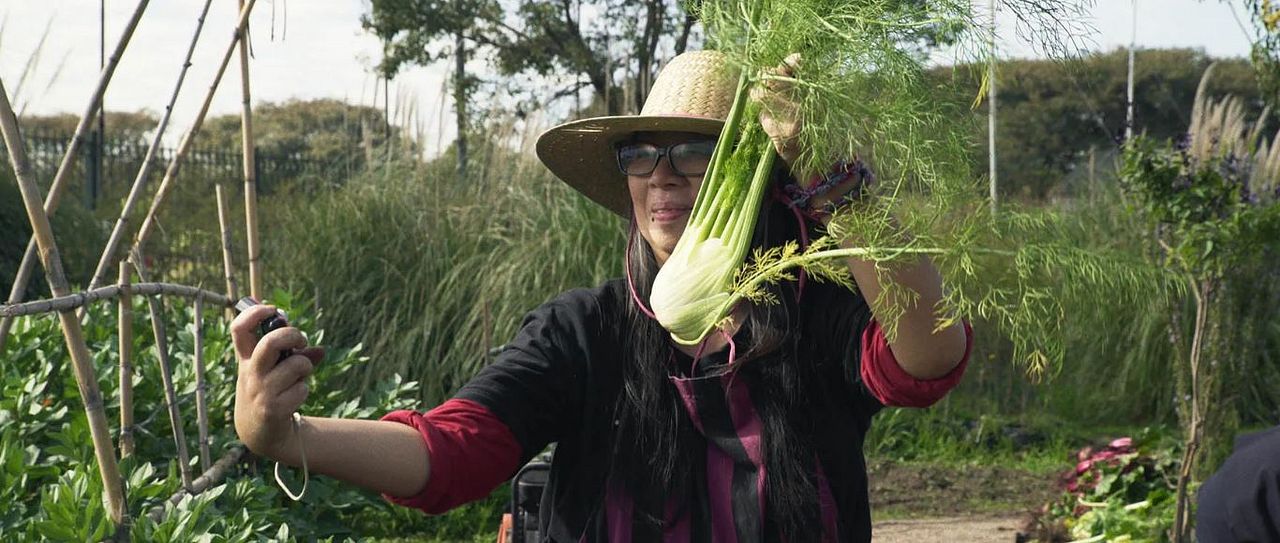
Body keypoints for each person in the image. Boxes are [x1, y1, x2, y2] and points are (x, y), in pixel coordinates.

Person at [230, 50, 972, 542]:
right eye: (639, 153)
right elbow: (452, 452)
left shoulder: (822, 313)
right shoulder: (583, 332)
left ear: (758, 182)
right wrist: (289, 436)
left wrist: (840, 182)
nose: (662, 174)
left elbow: (928, 357)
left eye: (692, 150)